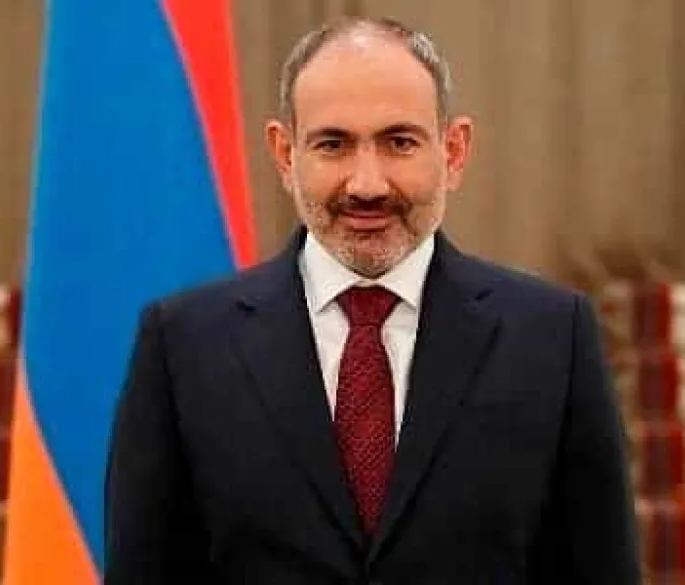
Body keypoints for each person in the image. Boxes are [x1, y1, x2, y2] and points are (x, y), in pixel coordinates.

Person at [105, 17, 641, 584]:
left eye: (399, 142)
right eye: (333, 145)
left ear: (454, 151)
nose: (367, 184)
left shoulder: (552, 339)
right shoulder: (183, 345)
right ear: (285, 154)